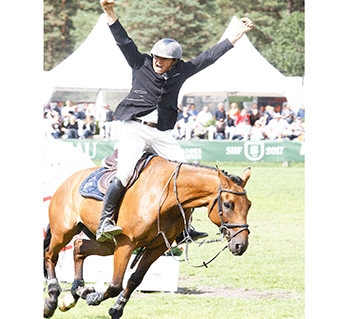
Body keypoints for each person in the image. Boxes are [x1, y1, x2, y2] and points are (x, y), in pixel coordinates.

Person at [96, 0, 254, 242]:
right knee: (126, 172)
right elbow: (123, 41)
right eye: (157, 57)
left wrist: (238, 34)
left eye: (164, 59)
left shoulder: (182, 71)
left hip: (160, 132)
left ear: (174, 62)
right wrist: (109, 12)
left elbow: (210, 56)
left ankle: (184, 227)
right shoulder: (140, 64)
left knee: (185, 173)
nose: (158, 61)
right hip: (134, 130)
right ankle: (105, 221)